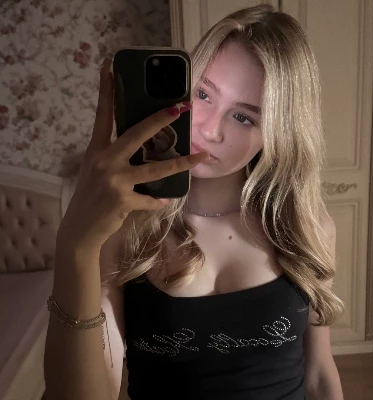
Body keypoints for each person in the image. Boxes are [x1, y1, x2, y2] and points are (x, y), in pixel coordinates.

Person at [44, 4, 345, 400]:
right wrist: (75, 245)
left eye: (244, 117)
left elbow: (319, 372)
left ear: (277, 132)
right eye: (203, 94)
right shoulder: (125, 228)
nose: (209, 129)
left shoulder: (306, 226)